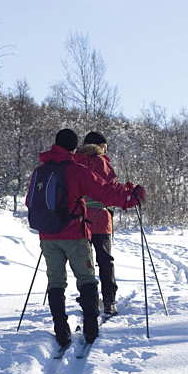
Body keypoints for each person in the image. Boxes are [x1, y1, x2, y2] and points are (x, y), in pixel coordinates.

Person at [26, 128, 146, 346]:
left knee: (55, 281)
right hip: (74, 234)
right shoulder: (76, 171)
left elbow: (29, 202)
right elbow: (105, 192)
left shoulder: (39, 171)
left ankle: (61, 331)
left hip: (47, 235)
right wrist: (131, 197)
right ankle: (90, 330)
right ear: (74, 147)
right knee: (87, 279)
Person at [73, 131, 121, 315]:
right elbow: (111, 188)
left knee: (84, 262)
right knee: (105, 260)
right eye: (104, 147)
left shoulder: (75, 161)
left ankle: (87, 298)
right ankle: (109, 300)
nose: (105, 151)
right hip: (100, 218)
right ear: (98, 146)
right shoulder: (100, 162)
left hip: (78, 219)